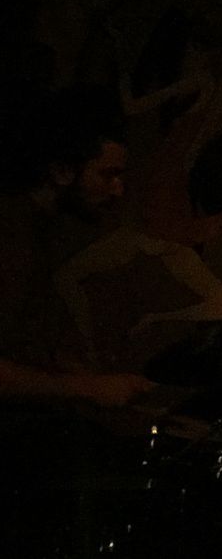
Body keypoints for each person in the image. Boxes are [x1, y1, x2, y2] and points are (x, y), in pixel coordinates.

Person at [0, 88, 155, 407]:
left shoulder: (36, 229)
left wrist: (77, 375)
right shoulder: (13, 236)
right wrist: (87, 388)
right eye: (108, 175)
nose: (118, 190)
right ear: (61, 172)